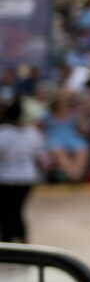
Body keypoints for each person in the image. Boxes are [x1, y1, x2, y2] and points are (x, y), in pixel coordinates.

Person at [0, 98, 45, 243]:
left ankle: (9, 244)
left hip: (6, 178)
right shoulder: (33, 133)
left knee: (7, 212)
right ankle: (23, 242)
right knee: (17, 211)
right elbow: (41, 157)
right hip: (26, 178)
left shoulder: (4, 134)